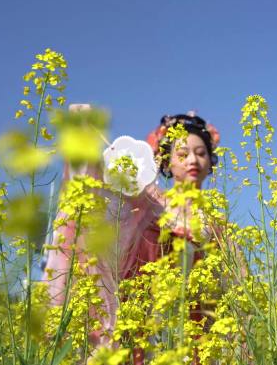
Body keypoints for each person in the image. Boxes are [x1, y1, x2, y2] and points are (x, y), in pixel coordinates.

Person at [42, 106, 225, 364]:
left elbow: (233, 281)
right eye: (182, 154)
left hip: (194, 325)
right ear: (167, 162)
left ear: (210, 162)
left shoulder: (217, 222)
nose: (193, 161)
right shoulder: (153, 201)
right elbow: (101, 191)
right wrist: (86, 137)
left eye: (201, 153)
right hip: (149, 319)